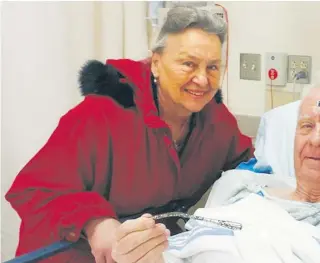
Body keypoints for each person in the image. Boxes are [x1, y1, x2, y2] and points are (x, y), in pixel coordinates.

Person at [4, 6, 254, 263]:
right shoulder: (101, 115)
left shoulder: (215, 119)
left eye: (212, 67)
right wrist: (95, 223)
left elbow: (246, 166)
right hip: (68, 253)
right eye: (188, 64)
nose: (202, 79)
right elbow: (33, 190)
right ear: (156, 63)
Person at [111, 73, 320, 263]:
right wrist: (141, 255)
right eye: (306, 126)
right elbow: (184, 251)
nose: (316, 140)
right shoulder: (244, 195)